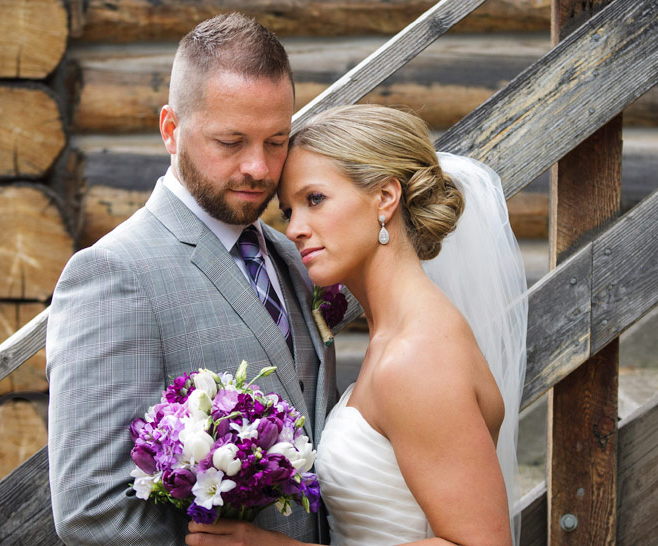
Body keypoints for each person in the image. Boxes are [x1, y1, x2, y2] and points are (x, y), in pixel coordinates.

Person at [46, 13, 356, 544]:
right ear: (171, 129)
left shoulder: (291, 255)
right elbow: (92, 513)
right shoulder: (112, 274)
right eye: (231, 142)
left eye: (276, 141)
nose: (259, 167)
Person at [185, 105, 528, 546]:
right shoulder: (396, 337)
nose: (296, 230)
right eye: (289, 212)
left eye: (315, 199)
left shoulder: (417, 356)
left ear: (385, 198)